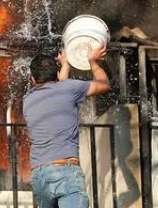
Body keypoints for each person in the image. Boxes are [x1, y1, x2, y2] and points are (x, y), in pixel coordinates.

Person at [23, 45, 111, 207]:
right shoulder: (69, 88)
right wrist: (93, 61)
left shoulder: (28, 99)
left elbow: (59, 88)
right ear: (56, 74)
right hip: (65, 171)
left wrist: (65, 65)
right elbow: (103, 84)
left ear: (33, 80)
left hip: (40, 176)